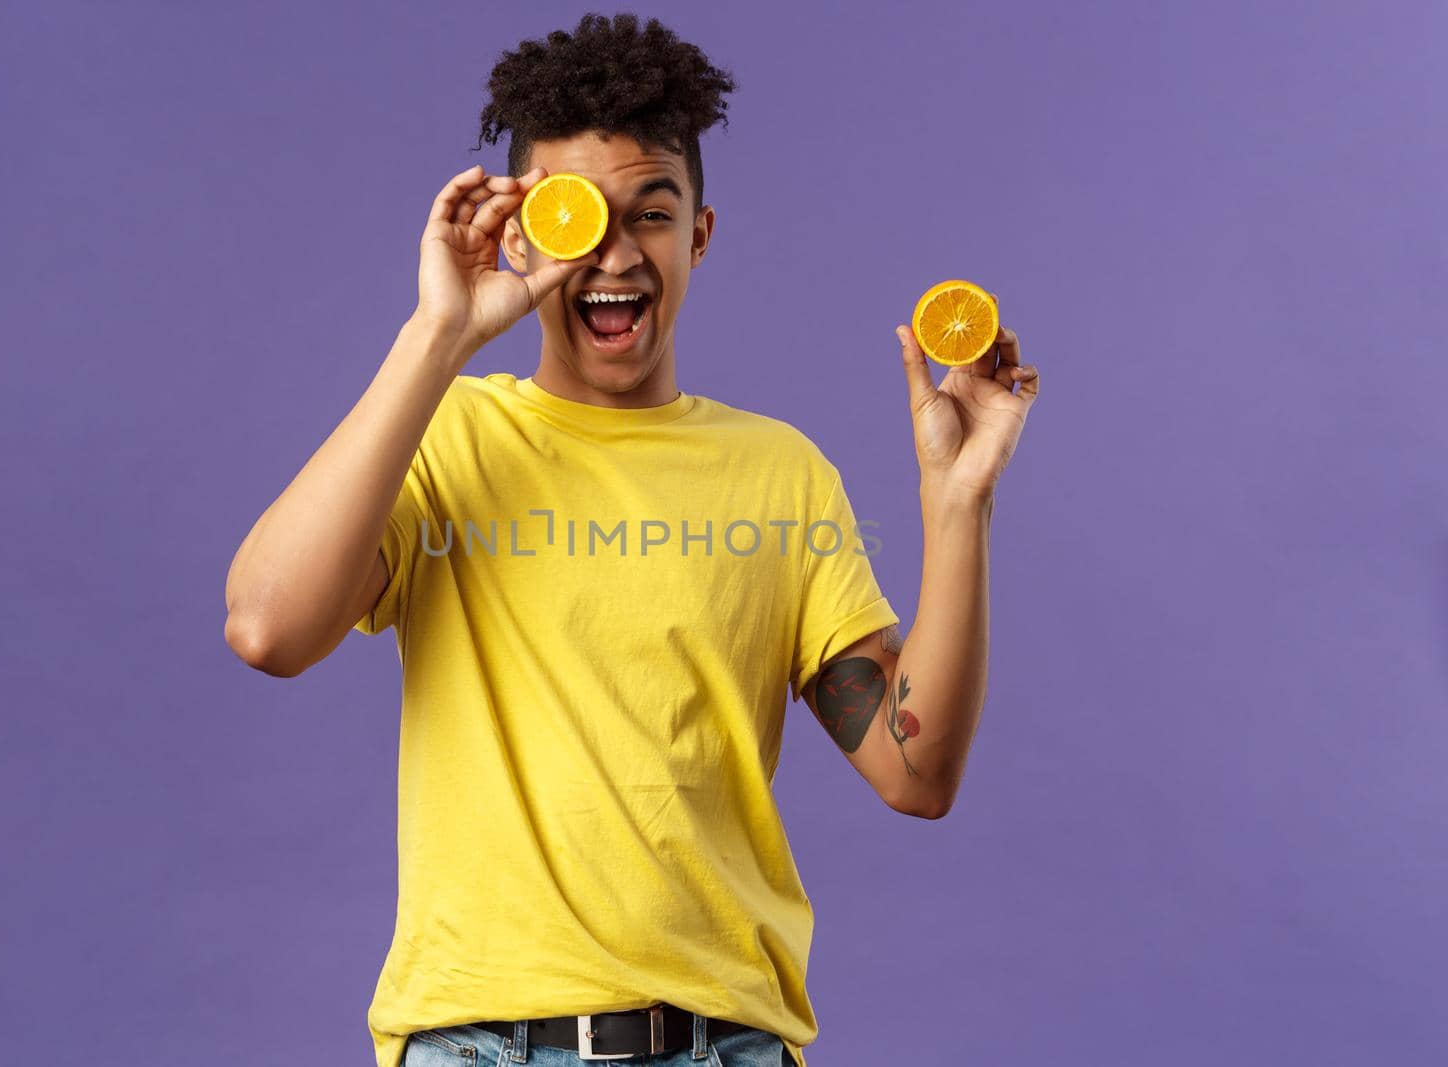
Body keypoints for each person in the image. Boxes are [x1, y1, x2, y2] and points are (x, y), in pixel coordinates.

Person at [223, 12, 1039, 1067]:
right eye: (577, 221)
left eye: (651, 215)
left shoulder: (778, 472)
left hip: (724, 1043)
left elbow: (914, 770)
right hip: (478, 1042)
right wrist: (439, 335)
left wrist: (956, 501)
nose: (614, 254)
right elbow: (266, 626)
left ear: (699, 234)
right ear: (523, 234)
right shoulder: (445, 439)